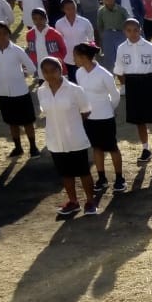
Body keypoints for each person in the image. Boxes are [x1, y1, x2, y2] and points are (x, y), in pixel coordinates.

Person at [36, 56, 96, 215]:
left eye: (53, 70)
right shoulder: (41, 91)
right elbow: (46, 112)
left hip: (75, 139)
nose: (49, 75)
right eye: (45, 71)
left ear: (60, 70)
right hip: (55, 140)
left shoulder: (75, 90)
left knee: (83, 172)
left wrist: (72, 124)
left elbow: (86, 111)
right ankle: (73, 201)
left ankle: (90, 201)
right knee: (66, 174)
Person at [73, 42, 125, 194]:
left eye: (75, 56)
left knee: (112, 147)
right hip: (89, 118)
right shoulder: (79, 73)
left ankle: (119, 178)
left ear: (83, 57)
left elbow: (115, 95)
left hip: (105, 117)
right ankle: (102, 178)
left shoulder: (104, 74)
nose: (73, 59)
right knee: (96, 147)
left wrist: (109, 109)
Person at [113, 18, 152, 162]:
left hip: (148, 82)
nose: (133, 33)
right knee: (139, 120)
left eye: (136, 30)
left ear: (141, 30)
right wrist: (126, 84)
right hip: (132, 84)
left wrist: (149, 79)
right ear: (125, 32)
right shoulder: (121, 48)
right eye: (129, 30)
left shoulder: (149, 46)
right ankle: (145, 149)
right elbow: (119, 69)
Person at [0, 21, 38, 158]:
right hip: (3, 92)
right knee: (11, 122)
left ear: (9, 34)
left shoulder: (17, 50)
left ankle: (33, 147)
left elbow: (31, 67)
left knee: (27, 122)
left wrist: (22, 74)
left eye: (4, 33)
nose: (2, 36)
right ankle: (18, 147)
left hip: (20, 91)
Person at [24, 7, 66, 79]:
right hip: (39, 66)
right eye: (35, 19)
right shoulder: (29, 34)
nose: (38, 21)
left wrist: (58, 60)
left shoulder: (54, 33)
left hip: (54, 67)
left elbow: (63, 49)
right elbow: (31, 50)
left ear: (46, 19)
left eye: (41, 19)